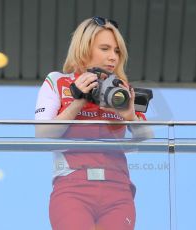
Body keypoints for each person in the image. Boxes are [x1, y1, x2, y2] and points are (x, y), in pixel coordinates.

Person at [35, 16, 152, 230]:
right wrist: (77, 102)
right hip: (72, 187)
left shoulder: (121, 90)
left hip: (119, 189)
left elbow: (148, 136)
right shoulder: (58, 81)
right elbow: (42, 134)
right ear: (84, 48)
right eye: (105, 48)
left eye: (117, 51)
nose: (113, 57)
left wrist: (129, 116)